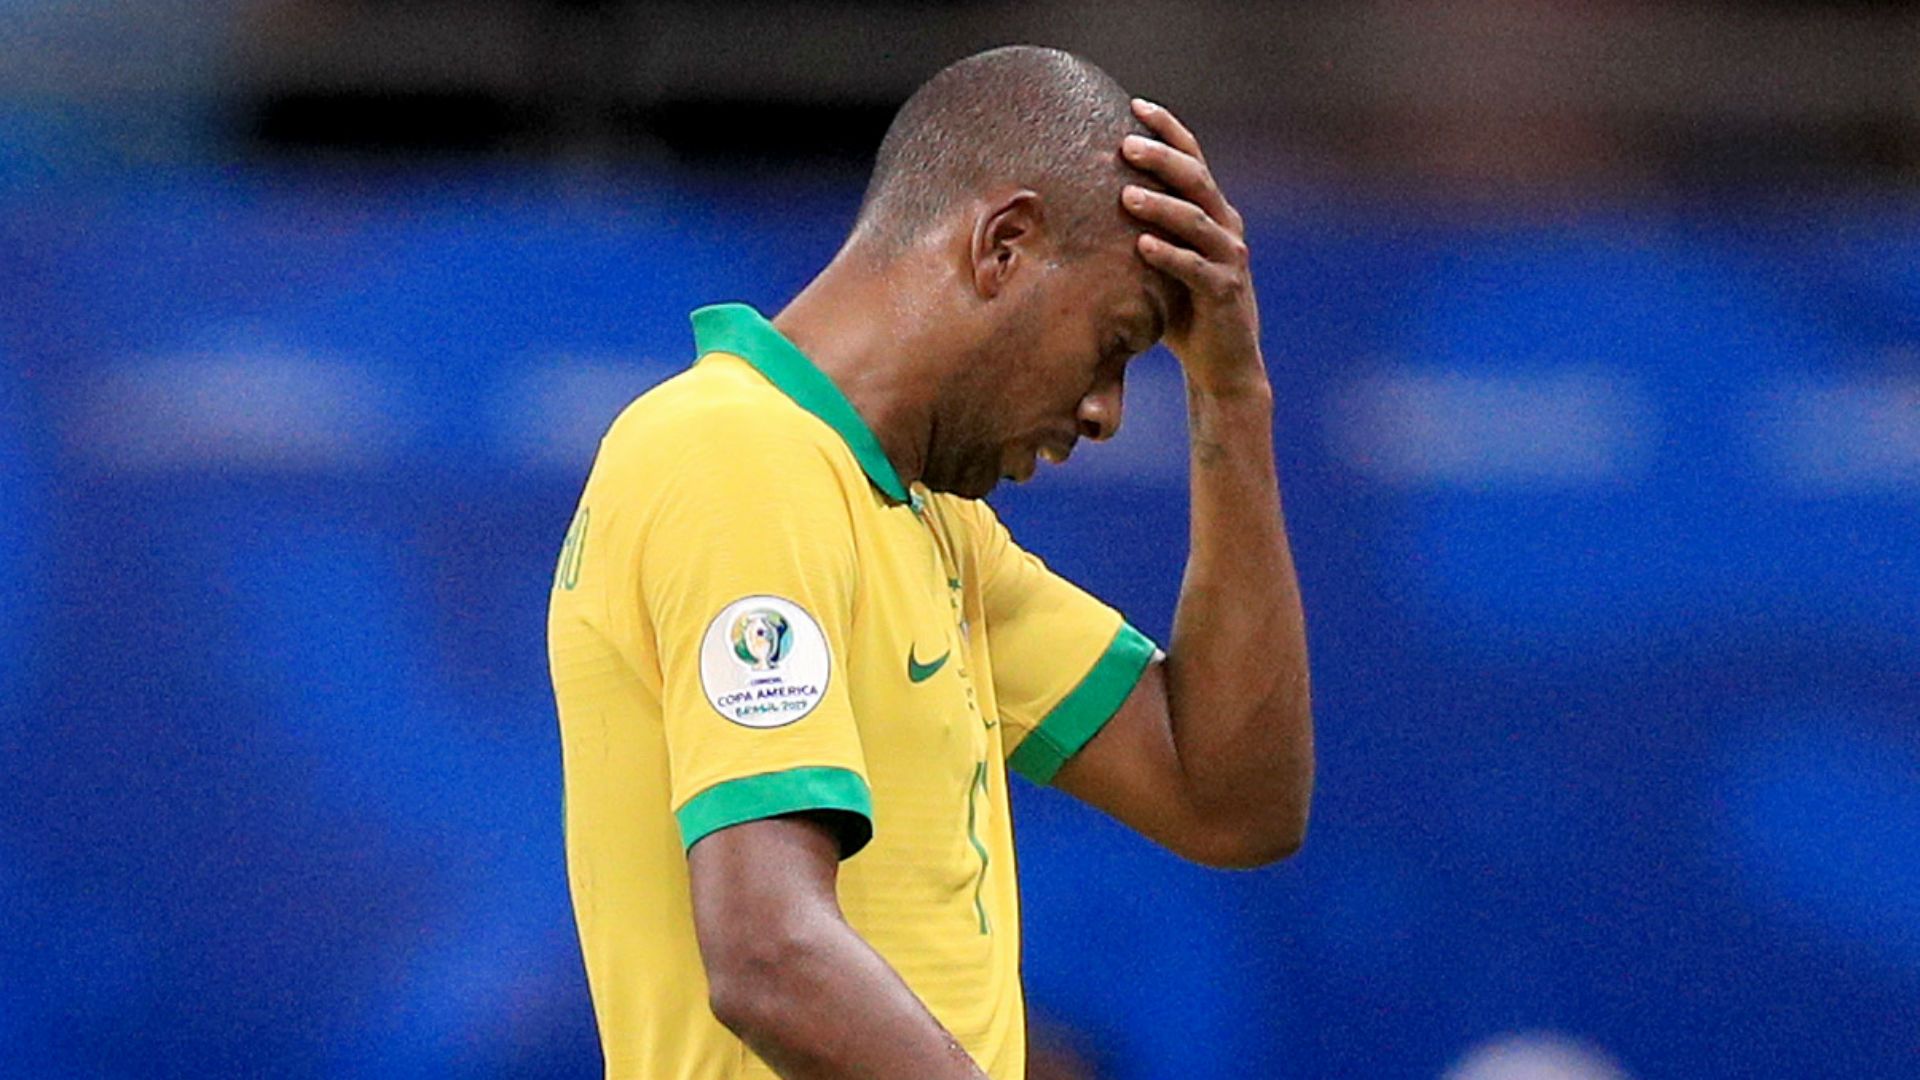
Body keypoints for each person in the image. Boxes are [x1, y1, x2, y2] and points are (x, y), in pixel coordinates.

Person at [547, 44, 1313, 1080]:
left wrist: (1233, 397)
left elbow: (1233, 800)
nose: (1106, 412)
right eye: (1115, 342)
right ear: (1004, 243)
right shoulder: (736, 453)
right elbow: (770, 957)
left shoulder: (932, 531)